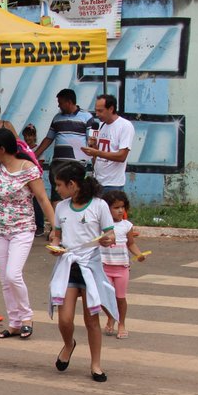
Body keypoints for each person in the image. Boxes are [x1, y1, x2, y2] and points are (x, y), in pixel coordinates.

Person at [0, 128, 54, 340]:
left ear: (2, 149)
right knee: (4, 279)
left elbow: (43, 199)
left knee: (13, 274)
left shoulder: (28, 169)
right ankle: (15, 322)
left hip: (22, 229)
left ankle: (27, 317)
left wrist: (56, 228)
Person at [47, 162, 118, 382]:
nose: (57, 189)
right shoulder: (61, 208)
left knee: (92, 320)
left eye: (59, 185)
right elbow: (56, 235)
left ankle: (95, 364)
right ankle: (69, 344)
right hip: (68, 267)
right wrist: (55, 244)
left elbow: (110, 234)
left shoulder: (99, 206)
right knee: (65, 318)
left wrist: (107, 240)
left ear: (73, 184)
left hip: (90, 267)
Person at [99, 189, 147, 338]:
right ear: (107, 209)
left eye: (122, 207)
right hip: (103, 267)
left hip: (122, 268)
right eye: (116, 207)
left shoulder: (127, 225)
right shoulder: (100, 225)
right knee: (103, 299)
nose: (120, 210)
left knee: (120, 298)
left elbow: (131, 244)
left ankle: (121, 323)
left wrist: (139, 254)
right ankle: (111, 316)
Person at [34, 89, 92, 199]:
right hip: (58, 165)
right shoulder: (57, 118)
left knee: (76, 195)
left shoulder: (86, 117)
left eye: (60, 103)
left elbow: (92, 141)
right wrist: (35, 154)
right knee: (57, 195)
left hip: (76, 165)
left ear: (69, 102)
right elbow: (48, 138)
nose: (58, 105)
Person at [82, 94, 134, 190]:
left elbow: (122, 156)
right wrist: (93, 147)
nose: (97, 114)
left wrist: (96, 152)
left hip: (113, 183)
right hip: (98, 181)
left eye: (100, 111)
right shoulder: (101, 125)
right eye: (96, 110)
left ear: (111, 109)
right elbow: (98, 154)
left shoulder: (125, 126)